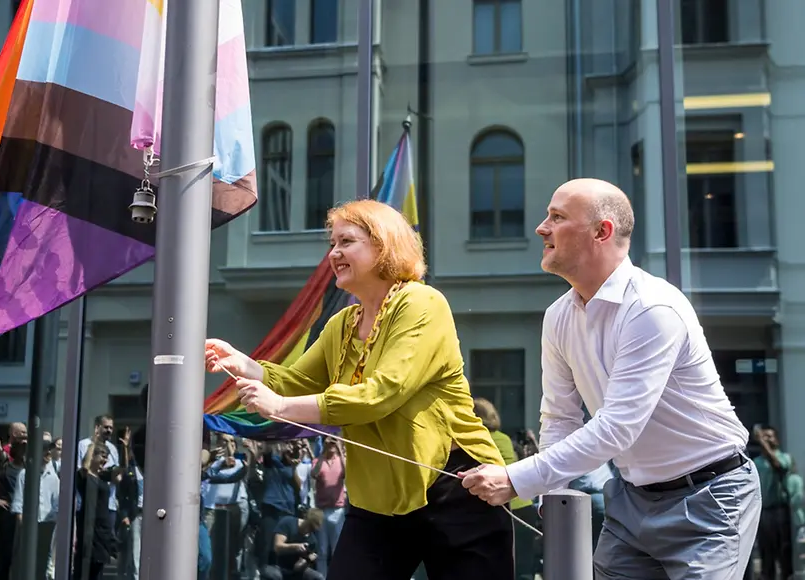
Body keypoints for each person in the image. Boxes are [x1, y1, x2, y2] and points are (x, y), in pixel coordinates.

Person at [460, 178, 761, 579]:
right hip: (630, 500)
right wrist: (553, 496)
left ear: (602, 232)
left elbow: (617, 428)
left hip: (710, 497)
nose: (541, 228)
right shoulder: (558, 317)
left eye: (557, 217)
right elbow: (561, 420)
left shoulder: (653, 308)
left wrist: (517, 479)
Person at [206, 199, 515, 580]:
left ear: (383, 246)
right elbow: (299, 381)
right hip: (378, 495)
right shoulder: (342, 323)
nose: (333, 253)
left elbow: (383, 393)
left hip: (457, 484)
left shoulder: (423, 303)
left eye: (346, 241)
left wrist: (282, 406)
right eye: (332, 243)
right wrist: (247, 365)